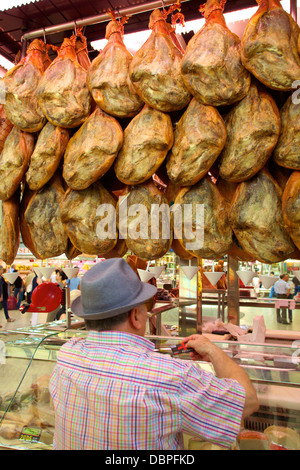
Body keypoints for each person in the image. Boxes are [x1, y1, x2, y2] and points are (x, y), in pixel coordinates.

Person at [49, 258, 259, 450]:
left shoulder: (67, 356)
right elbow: (247, 402)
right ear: (136, 317)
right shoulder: (169, 376)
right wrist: (213, 351)